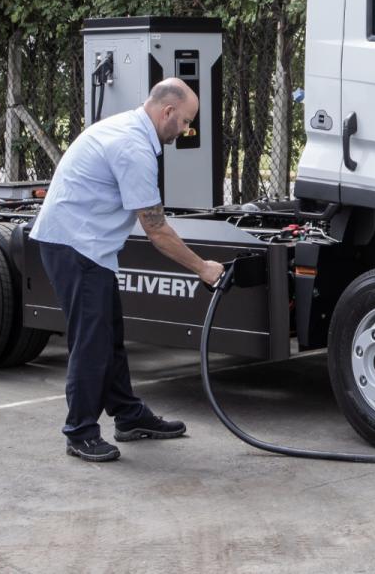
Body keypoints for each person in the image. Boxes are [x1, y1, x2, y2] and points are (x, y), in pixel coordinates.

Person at [29, 78, 225, 462]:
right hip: (75, 245)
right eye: (185, 121)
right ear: (167, 112)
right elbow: (156, 231)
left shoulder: (130, 130)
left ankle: (129, 416)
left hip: (85, 245)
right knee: (92, 342)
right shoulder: (133, 147)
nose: (185, 130)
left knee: (109, 335)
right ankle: (80, 432)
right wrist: (204, 268)